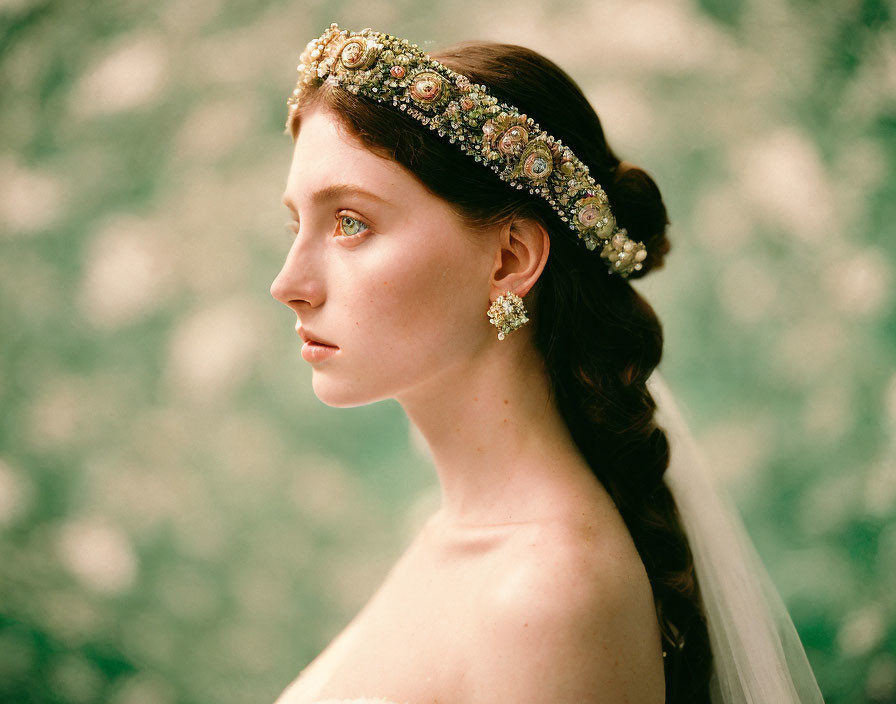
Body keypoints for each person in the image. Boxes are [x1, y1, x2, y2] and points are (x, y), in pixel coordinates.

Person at [270, 24, 825, 704]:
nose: (289, 281)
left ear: (509, 259)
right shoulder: (465, 535)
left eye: (350, 221)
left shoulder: (547, 598)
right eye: (295, 224)